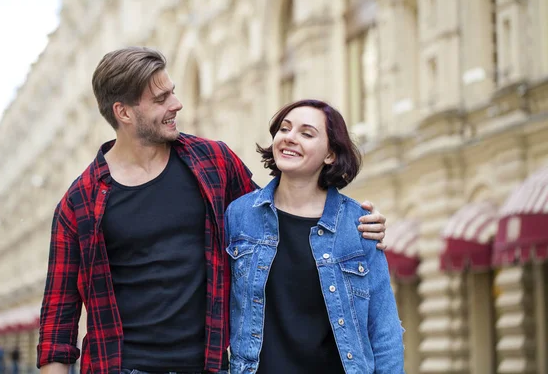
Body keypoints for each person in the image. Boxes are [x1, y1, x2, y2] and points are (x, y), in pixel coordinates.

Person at [36, 47, 388, 374]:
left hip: (210, 366)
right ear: (124, 112)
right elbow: (57, 325)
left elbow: (274, 216)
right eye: (161, 99)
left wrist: (354, 225)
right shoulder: (78, 202)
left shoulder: (213, 162)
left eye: (172, 91)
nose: (177, 103)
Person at [225, 99, 405, 373]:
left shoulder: (358, 225)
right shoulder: (240, 216)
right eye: (284, 129)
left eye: (306, 133)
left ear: (330, 154)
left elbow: (384, 328)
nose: (290, 138)